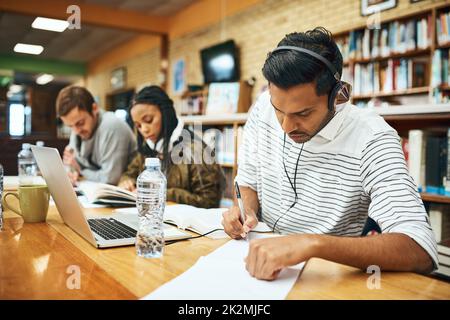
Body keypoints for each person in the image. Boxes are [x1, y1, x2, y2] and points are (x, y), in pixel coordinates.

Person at [222, 27, 438, 280]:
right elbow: (247, 180)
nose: (286, 126)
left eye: (303, 114)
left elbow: (420, 249)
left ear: (338, 96)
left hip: (330, 279)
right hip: (259, 264)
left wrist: (314, 244)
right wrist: (245, 211)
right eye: (278, 110)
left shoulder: (372, 137)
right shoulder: (262, 109)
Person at [118, 85, 225, 208]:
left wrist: (162, 192)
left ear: (165, 113)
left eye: (148, 120)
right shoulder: (148, 147)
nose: (144, 130)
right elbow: (129, 173)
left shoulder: (196, 150)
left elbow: (209, 201)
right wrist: (126, 182)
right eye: (138, 125)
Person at [56, 86, 137, 185]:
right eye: (70, 126)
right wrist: (72, 171)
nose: (76, 131)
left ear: (94, 108)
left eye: (80, 123)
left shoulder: (112, 127)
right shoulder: (78, 129)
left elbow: (110, 179)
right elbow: (72, 163)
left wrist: (80, 170)